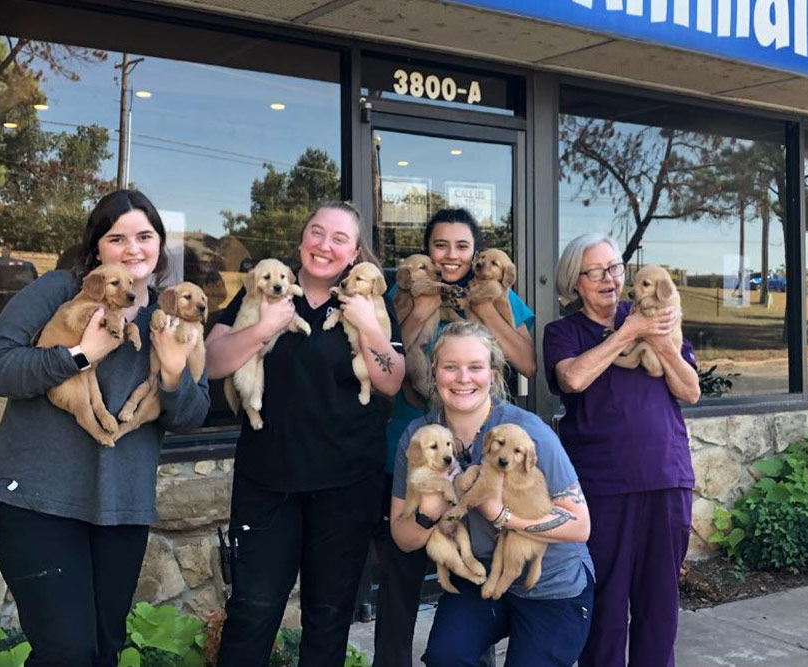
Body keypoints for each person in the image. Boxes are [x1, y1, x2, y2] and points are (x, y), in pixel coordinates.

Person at [0, 190, 211, 667]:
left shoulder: (169, 317)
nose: (132, 249)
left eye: (144, 236)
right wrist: (80, 355)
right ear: (97, 249)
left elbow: (191, 417)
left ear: (159, 245)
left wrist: (170, 374)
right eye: (116, 238)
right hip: (34, 501)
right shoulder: (59, 291)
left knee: (104, 652)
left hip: (120, 508)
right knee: (67, 653)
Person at [207, 201, 406, 664]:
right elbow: (214, 363)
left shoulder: (368, 300)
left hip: (347, 483)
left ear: (354, 252)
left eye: (339, 239)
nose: (325, 245)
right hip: (267, 481)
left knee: (329, 617)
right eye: (317, 233)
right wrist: (264, 328)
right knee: (252, 614)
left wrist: (370, 329)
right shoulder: (266, 291)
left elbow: (391, 380)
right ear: (301, 241)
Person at [375, 208, 536, 666]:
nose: (450, 255)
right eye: (440, 245)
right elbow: (386, 359)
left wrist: (485, 310)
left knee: (471, 576)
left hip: (476, 463)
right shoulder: (404, 290)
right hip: (409, 460)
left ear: (476, 252)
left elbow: (527, 362)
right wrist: (424, 308)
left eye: (462, 246)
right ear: (427, 251)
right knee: (400, 583)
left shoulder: (498, 293)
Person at [391, 321, 593, 666]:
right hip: (481, 573)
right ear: (434, 371)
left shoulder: (527, 432)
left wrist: (503, 516)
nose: (463, 378)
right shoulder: (420, 436)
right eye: (450, 367)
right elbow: (403, 537)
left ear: (494, 373)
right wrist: (430, 509)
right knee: (446, 657)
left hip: (550, 582)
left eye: (475, 367)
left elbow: (579, 525)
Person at [543, 233, 700, 667]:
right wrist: (626, 332)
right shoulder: (563, 332)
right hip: (602, 488)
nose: (610, 279)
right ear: (575, 282)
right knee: (605, 608)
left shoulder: (656, 316)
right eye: (595, 272)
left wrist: (659, 339)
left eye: (614, 268)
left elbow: (690, 391)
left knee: (660, 607)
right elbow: (573, 379)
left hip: (666, 478)